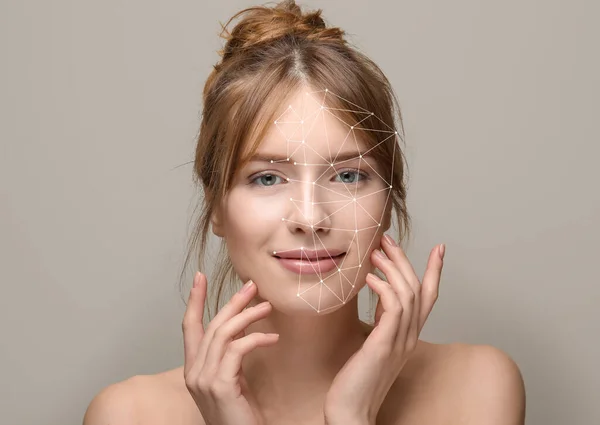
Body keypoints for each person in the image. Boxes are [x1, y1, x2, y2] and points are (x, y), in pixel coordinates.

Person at [83, 1, 526, 424]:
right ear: (216, 206)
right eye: (268, 178)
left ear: (389, 201)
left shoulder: (476, 388)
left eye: (349, 176)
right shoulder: (129, 415)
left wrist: (352, 416)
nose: (311, 218)